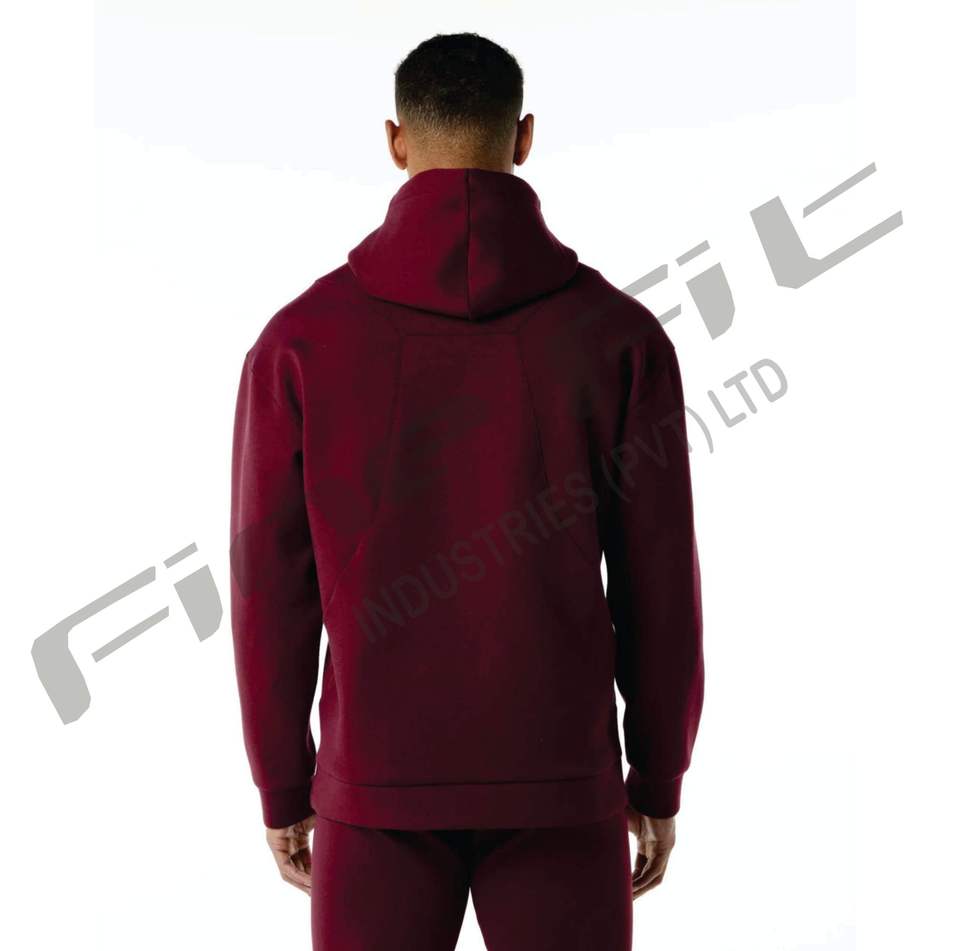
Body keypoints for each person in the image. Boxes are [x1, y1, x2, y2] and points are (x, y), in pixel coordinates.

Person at [230, 31, 704, 951]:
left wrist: (283, 782)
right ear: (522, 137)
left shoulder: (299, 342)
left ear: (395, 141)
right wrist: (658, 776)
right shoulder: (619, 336)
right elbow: (660, 583)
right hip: (562, 781)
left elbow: (268, 589)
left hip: (375, 789)